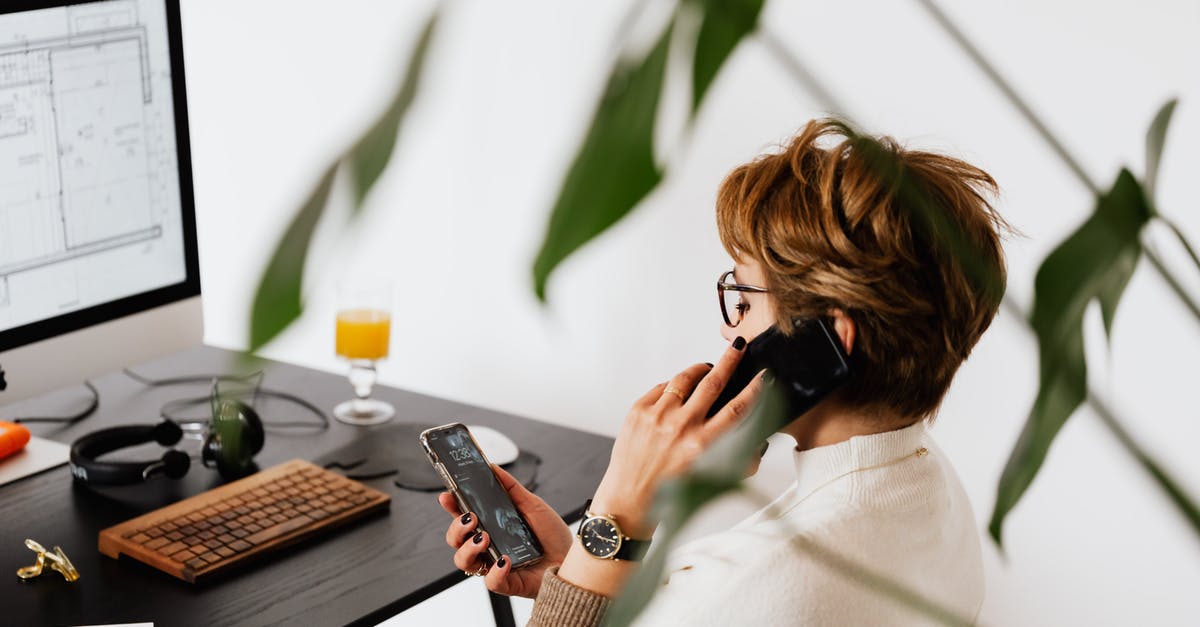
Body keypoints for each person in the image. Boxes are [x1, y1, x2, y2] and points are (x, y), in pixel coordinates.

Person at [437, 118, 1008, 625]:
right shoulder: (931, 487)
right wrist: (580, 567)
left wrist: (618, 507)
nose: (728, 329)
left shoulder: (755, 584)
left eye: (744, 298)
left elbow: (735, 601)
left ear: (828, 339)